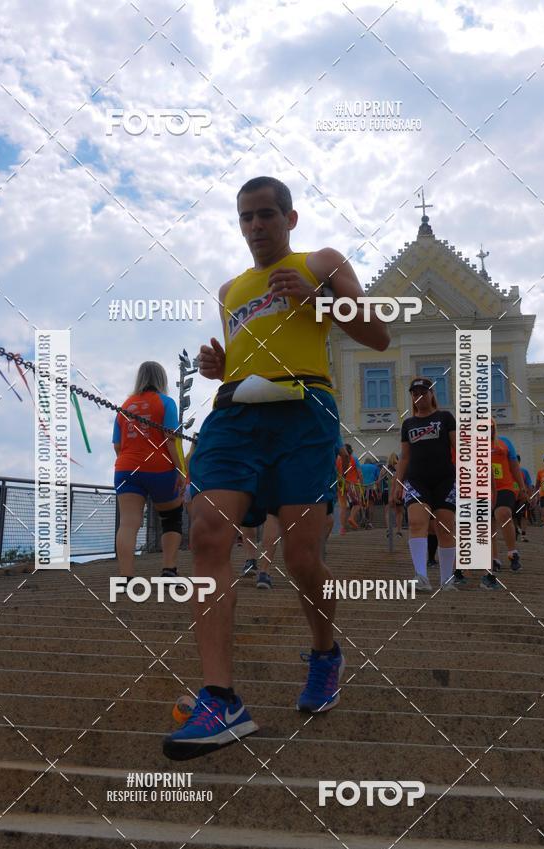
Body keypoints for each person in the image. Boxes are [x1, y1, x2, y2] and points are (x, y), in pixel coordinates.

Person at [163, 176, 390, 760]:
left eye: (267, 214)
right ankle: (221, 700)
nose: (256, 226)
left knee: (300, 556)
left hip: (304, 411)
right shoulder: (231, 288)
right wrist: (220, 365)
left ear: (290, 218)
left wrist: (320, 299)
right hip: (235, 414)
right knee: (209, 533)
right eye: (246, 217)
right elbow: (248, 349)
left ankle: (324, 654)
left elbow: (378, 335)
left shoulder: (321, 261)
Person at [113, 361, 184, 585]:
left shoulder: (125, 405)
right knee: (171, 517)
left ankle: (126, 577)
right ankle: (168, 569)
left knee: (128, 523)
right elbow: (170, 440)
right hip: (159, 468)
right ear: (161, 378)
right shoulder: (166, 403)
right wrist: (182, 472)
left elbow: (117, 445)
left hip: (126, 468)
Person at [391, 377, 457, 593]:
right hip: (417, 479)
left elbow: (458, 446)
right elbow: (405, 457)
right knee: (417, 523)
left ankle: (447, 580)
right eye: (414, 393)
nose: (418, 396)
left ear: (431, 394)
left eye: (423, 391)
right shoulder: (408, 424)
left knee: (445, 528)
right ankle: (421, 576)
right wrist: (397, 484)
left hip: (445, 479)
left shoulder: (445, 417)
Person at [481, 420, 527, 590]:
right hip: (484, 490)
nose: (489, 430)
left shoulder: (505, 443)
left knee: (503, 513)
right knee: (488, 524)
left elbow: (514, 466)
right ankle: (494, 559)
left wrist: (521, 487)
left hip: (505, 487)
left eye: (491, 427)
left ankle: (512, 553)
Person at [379, 452, 403, 537]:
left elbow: (379, 481)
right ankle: (399, 531)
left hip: (386, 491)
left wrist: (379, 491)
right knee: (399, 512)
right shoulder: (399, 467)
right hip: (397, 491)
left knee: (387, 512)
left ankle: (389, 530)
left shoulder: (384, 469)